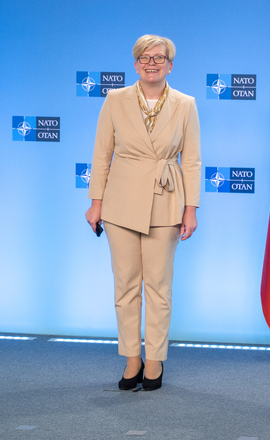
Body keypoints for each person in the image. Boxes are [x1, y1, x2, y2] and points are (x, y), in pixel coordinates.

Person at [85, 34, 201, 391]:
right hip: (120, 202)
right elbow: (102, 154)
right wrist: (96, 202)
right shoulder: (115, 99)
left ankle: (155, 361)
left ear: (170, 65)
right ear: (135, 64)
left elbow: (192, 161)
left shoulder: (186, 103)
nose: (152, 64)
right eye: (145, 58)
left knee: (159, 287)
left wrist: (191, 209)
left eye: (159, 58)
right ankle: (131, 359)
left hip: (165, 201)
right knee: (126, 285)